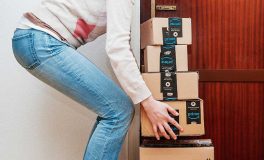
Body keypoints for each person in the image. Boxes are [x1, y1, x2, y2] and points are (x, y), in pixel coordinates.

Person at [11, 0, 183, 159]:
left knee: (116, 110)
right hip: (41, 40)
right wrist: (149, 102)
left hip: (34, 39)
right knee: (119, 111)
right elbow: (117, 49)